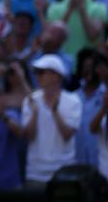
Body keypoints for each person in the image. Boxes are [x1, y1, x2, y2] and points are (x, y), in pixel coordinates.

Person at [22, 54, 81, 186]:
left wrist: (55, 111)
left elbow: (67, 135)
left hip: (64, 173)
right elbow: (28, 136)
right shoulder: (30, 100)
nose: (38, 76)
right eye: (37, 72)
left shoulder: (73, 101)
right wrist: (35, 113)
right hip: (35, 173)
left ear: (57, 75)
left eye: (42, 72)